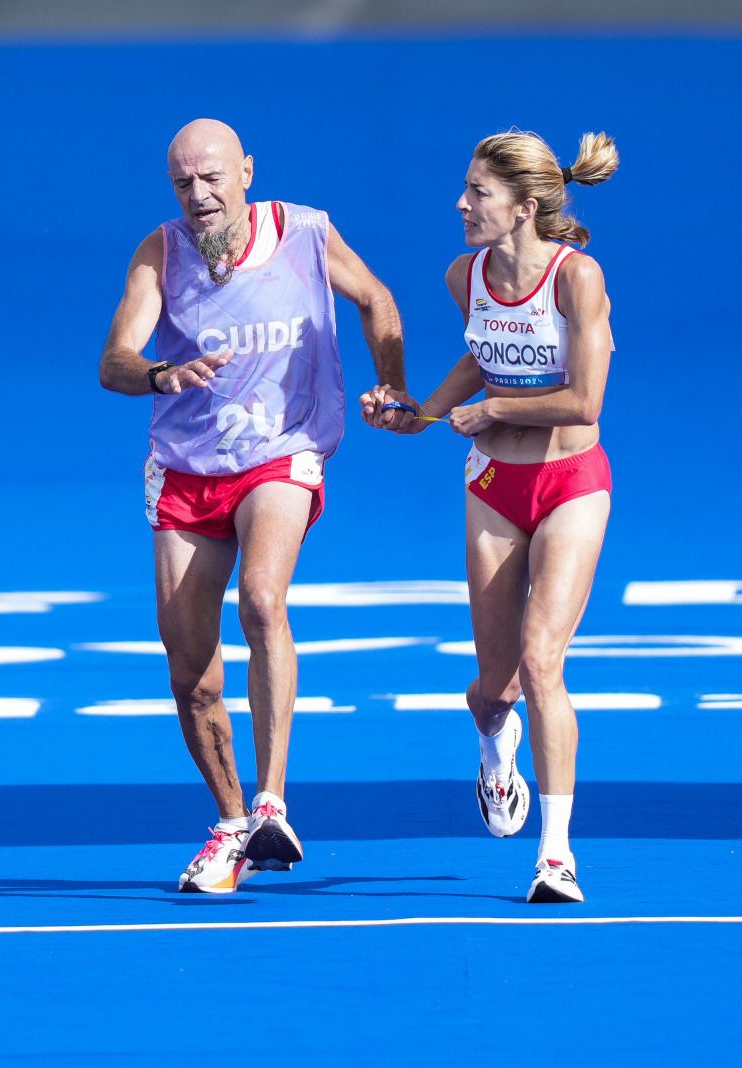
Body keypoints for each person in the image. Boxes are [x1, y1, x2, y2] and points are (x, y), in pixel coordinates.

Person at [102, 118, 415, 893]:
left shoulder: (305, 232)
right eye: (184, 184)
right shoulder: (161, 251)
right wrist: (160, 374)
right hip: (185, 469)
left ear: (246, 171)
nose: (199, 196)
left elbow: (377, 299)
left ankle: (273, 800)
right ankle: (233, 824)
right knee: (190, 672)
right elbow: (114, 360)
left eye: (212, 178)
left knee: (263, 599)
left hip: (281, 451)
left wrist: (393, 381)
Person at [362, 129, 618, 903]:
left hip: (572, 480)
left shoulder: (580, 281)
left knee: (545, 661)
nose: (462, 203)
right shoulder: (462, 276)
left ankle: (556, 855)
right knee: (497, 685)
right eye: (467, 189)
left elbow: (584, 399)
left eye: (478, 192)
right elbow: (482, 350)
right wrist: (418, 413)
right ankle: (492, 742)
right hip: (492, 485)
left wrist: (493, 408)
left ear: (524, 207)